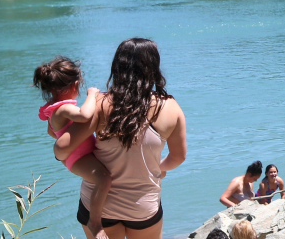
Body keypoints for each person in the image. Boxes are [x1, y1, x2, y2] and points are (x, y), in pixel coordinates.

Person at [57, 37, 188, 239]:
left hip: (99, 208)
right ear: (153, 67)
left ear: (117, 66)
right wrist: (157, 167)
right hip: (143, 205)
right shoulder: (170, 107)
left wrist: (65, 156)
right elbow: (178, 157)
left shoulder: (101, 104)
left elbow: (63, 148)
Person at [33, 57, 113, 239]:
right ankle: (95, 222)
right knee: (104, 179)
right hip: (78, 157)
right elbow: (85, 115)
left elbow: (52, 133)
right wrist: (92, 95)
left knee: (102, 178)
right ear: (75, 85)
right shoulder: (63, 109)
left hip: (75, 155)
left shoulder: (52, 109)